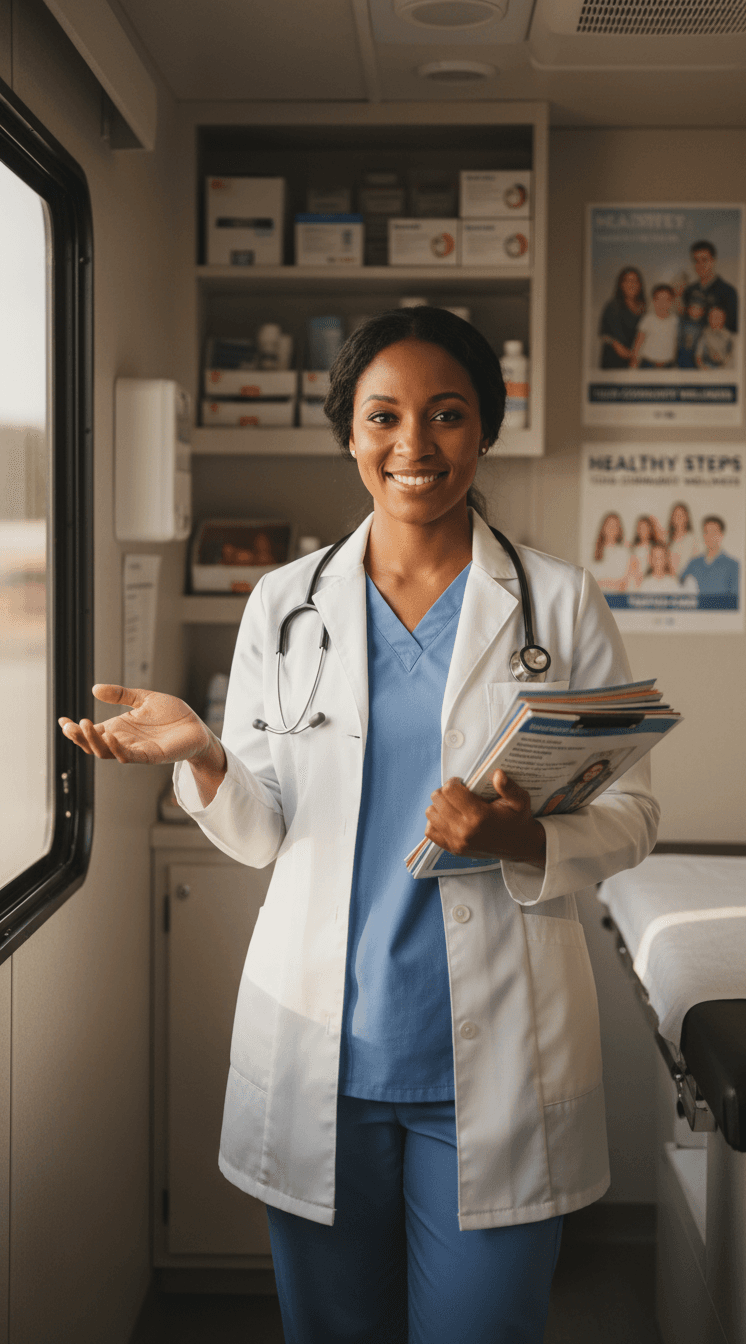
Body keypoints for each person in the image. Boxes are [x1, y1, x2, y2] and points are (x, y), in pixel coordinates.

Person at [58, 307, 659, 1344]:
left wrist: (521, 840)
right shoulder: (283, 604)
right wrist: (206, 756)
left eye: (447, 414)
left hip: (498, 1061)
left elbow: (634, 814)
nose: (414, 443)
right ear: (349, 433)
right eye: (384, 416)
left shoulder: (558, 605)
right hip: (323, 1057)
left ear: (486, 429)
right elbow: (261, 834)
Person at [682, 240, 738, 334]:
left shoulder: (728, 292)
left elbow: (733, 328)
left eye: (704, 260)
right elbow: (684, 325)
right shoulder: (689, 291)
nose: (700, 265)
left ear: (713, 261)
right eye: (696, 261)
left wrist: (714, 320)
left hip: (716, 342)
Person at [680, 515, 739, 597]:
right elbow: (680, 586)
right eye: (706, 532)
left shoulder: (732, 565)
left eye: (714, 532)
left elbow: (735, 599)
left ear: (721, 535)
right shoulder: (694, 563)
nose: (709, 536)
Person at [598, 266, 646, 368]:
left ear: (640, 285)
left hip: (637, 361)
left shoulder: (644, 309)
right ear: (621, 284)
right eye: (628, 281)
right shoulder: (613, 306)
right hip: (614, 360)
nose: (632, 284)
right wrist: (617, 346)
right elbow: (604, 334)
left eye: (635, 281)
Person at [539, 759, 613, 816]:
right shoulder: (564, 791)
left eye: (597, 770)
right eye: (591, 768)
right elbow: (546, 812)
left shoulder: (587, 791)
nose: (591, 772)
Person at [631, 283, 678, 368]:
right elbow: (638, 342)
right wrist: (634, 363)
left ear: (672, 302)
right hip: (648, 363)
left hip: (667, 364)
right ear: (653, 301)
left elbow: (675, 342)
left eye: (666, 300)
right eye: (659, 300)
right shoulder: (647, 319)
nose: (662, 304)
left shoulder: (675, 320)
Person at [591, 511, 631, 590]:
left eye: (615, 526)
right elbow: (592, 581)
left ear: (619, 530)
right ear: (603, 528)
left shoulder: (624, 552)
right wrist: (610, 583)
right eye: (609, 525)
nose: (611, 529)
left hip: (616, 595)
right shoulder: (595, 552)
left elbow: (623, 584)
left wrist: (604, 583)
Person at [666, 501, 699, 577]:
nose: (679, 518)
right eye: (676, 515)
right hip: (670, 580)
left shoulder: (693, 540)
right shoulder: (667, 541)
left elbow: (697, 564)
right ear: (671, 519)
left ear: (687, 518)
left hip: (687, 579)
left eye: (682, 515)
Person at [676, 291, 707, 369]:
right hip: (682, 353)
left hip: (695, 354)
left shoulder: (704, 326)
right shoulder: (682, 321)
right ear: (688, 310)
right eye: (693, 308)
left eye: (698, 309)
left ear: (702, 312)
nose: (695, 311)